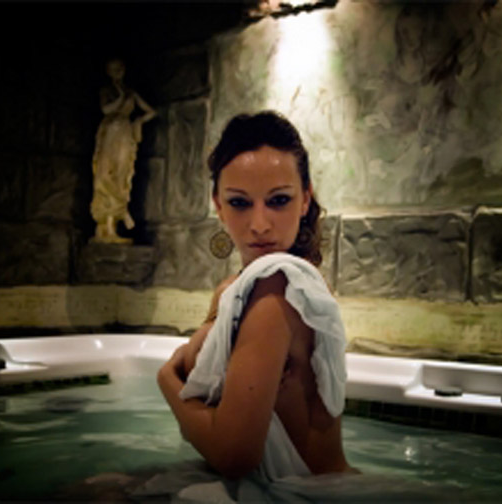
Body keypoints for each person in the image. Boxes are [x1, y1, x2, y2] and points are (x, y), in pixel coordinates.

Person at [157, 111, 353, 483]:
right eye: (239, 203)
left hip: (307, 495)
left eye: (278, 200)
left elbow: (233, 456)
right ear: (218, 205)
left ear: (305, 199)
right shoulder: (232, 292)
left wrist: (165, 378)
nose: (259, 225)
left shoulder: (279, 288)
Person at [90, 58, 156, 243]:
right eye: (113, 69)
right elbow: (106, 109)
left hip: (125, 134)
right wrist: (120, 96)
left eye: (119, 69)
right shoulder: (107, 91)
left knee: (121, 175)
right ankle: (106, 223)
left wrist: (139, 121)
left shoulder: (130, 93)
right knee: (104, 174)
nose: (117, 72)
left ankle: (115, 222)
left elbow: (151, 111)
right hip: (110, 132)